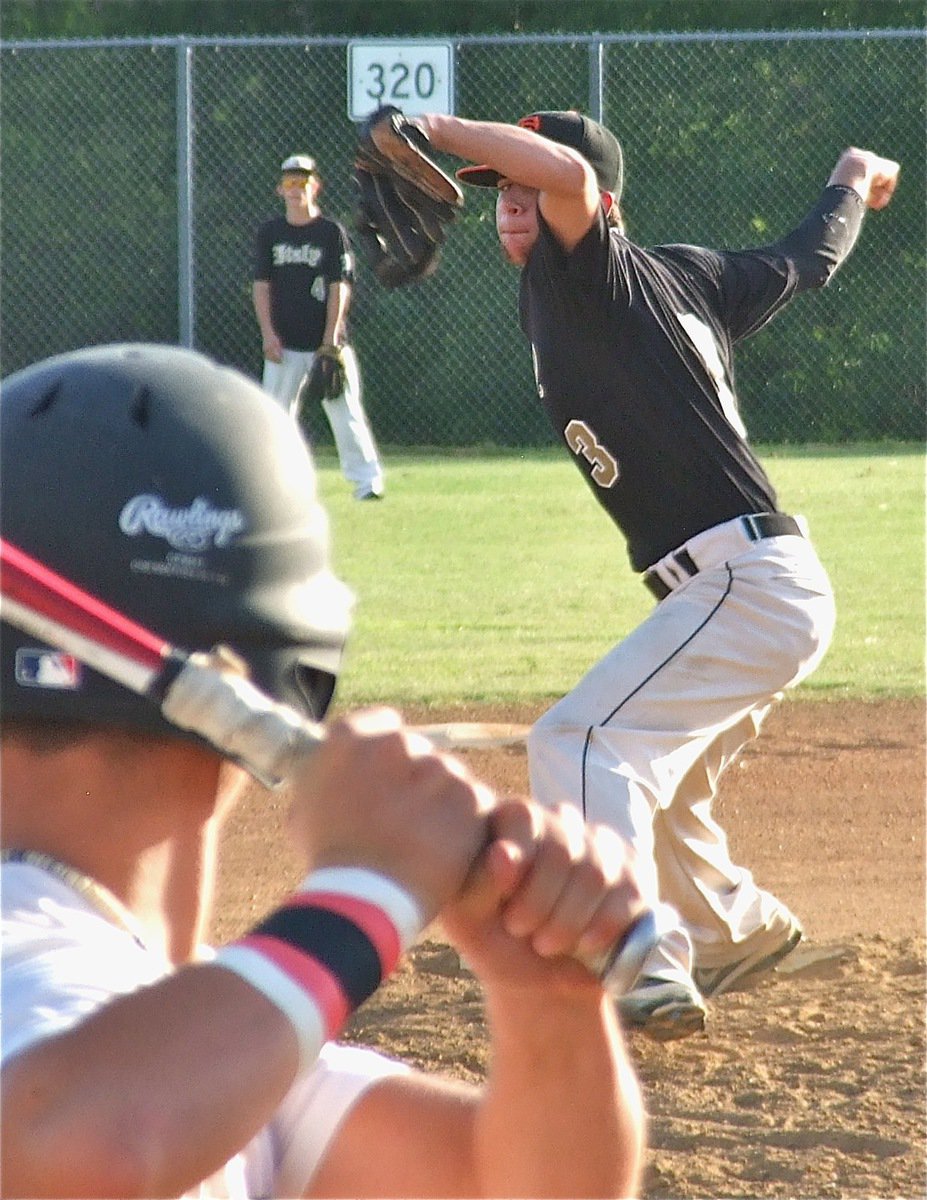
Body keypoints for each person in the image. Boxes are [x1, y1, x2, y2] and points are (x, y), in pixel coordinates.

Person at [0, 343, 647, 1198]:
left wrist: (548, 1000)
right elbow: (71, 1153)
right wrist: (368, 889)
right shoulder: (35, 962)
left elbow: (521, 1188)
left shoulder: (191, 1033)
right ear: (287, 672)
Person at [410, 108, 900, 1041]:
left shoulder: (593, 268)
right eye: (498, 194)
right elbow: (808, 258)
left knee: (583, 741)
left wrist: (432, 124)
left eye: (524, 189)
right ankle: (732, 933)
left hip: (742, 582)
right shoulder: (686, 278)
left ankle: (633, 948)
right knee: (663, 788)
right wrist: (850, 170)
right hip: (754, 586)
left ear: (592, 201)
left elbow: (566, 179)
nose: (509, 205)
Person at [253, 153, 385, 501]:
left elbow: (339, 285)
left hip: (327, 342)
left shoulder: (330, 233)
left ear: (316, 186)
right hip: (285, 341)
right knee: (276, 416)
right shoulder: (271, 234)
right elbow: (262, 285)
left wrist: (330, 341)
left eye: (302, 181)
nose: (295, 188)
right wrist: (267, 333)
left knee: (346, 412)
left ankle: (366, 483)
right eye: (289, 182)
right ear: (279, 190)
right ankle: (273, 487)